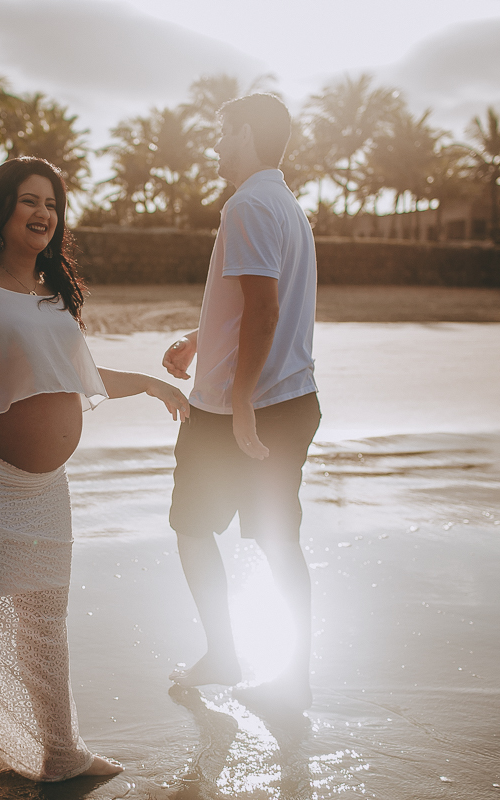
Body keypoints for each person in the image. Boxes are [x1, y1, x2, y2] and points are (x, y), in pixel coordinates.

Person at [0, 157, 190, 780]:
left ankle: (60, 752)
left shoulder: (55, 293)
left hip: (45, 492)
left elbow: (79, 376)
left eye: (52, 204)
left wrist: (151, 384)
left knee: (45, 625)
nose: (43, 214)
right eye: (28, 201)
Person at [161, 94, 320, 716]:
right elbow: (254, 303)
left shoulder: (249, 203)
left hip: (243, 411)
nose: (217, 144)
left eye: (225, 132)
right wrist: (200, 339)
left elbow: (265, 311)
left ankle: (231, 652)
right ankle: (290, 674)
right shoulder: (283, 203)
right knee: (277, 541)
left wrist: (243, 403)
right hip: (289, 398)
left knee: (195, 529)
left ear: (249, 133)